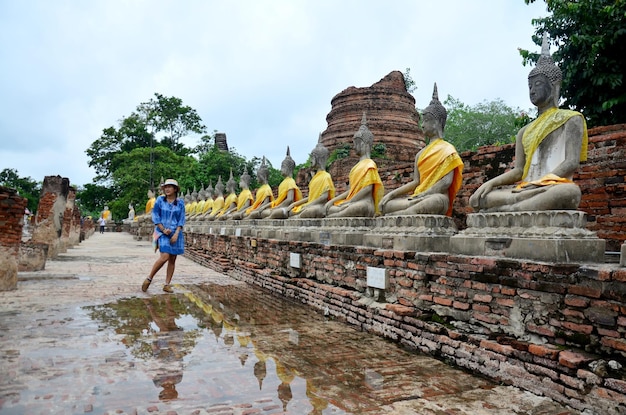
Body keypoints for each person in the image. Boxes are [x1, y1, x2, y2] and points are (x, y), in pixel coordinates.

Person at [469, 35, 588, 213]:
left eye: (537, 84)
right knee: (477, 198)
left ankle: (509, 210)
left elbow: (571, 162)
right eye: (530, 86)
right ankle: (517, 207)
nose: (532, 90)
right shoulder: (525, 131)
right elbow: (518, 171)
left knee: (569, 192)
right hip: (525, 189)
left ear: (554, 86)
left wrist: (540, 183)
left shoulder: (572, 119)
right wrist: (491, 182)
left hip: (550, 187)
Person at [380, 84, 464, 216]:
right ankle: (405, 212)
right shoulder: (420, 154)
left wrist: (424, 194)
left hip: (436, 196)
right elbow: (416, 182)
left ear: (436, 122)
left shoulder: (448, 150)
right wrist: (391, 194)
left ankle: (404, 214)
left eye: (426, 121)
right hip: (418, 197)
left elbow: (446, 182)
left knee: (433, 202)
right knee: (387, 205)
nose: (422, 125)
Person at [325, 113, 384, 218]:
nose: (354, 146)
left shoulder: (370, 164)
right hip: (352, 202)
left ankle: (339, 215)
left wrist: (350, 202)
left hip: (364, 203)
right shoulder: (355, 168)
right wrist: (333, 201)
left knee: (358, 207)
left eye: (356, 143)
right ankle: (339, 213)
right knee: (331, 208)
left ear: (363, 144)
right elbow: (350, 190)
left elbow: (367, 189)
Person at [272, 135, 335, 219]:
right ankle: (297, 215)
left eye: (312, 157)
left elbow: (324, 197)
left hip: (319, 206)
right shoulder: (315, 178)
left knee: (309, 211)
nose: (310, 160)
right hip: (311, 205)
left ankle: (297, 217)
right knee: (292, 210)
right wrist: (295, 204)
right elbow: (311, 197)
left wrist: (308, 205)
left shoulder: (325, 176)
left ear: (318, 159)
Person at [142, 178, 186, 294]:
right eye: (165, 187)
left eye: (170, 187)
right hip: (162, 233)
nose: (167, 189)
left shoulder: (180, 203)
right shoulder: (160, 201)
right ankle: (149, 278)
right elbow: (155, 215)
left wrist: (176, 233)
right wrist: (162, 229)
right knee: (164, 256)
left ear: (175, 189)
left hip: (175, 233)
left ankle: (167, 284)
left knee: (172, 259)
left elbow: (181, 219)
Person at [264, 147, 303, 219]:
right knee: (265, 212)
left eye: (282, 167)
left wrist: (278, 207)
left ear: (288, 168)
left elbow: (290, 199)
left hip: (288, 207)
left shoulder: (290, 181)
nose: (281, 170)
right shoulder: (282, 183)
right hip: (280, 206)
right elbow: (278, 200)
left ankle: (269, 217)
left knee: (276, 212)